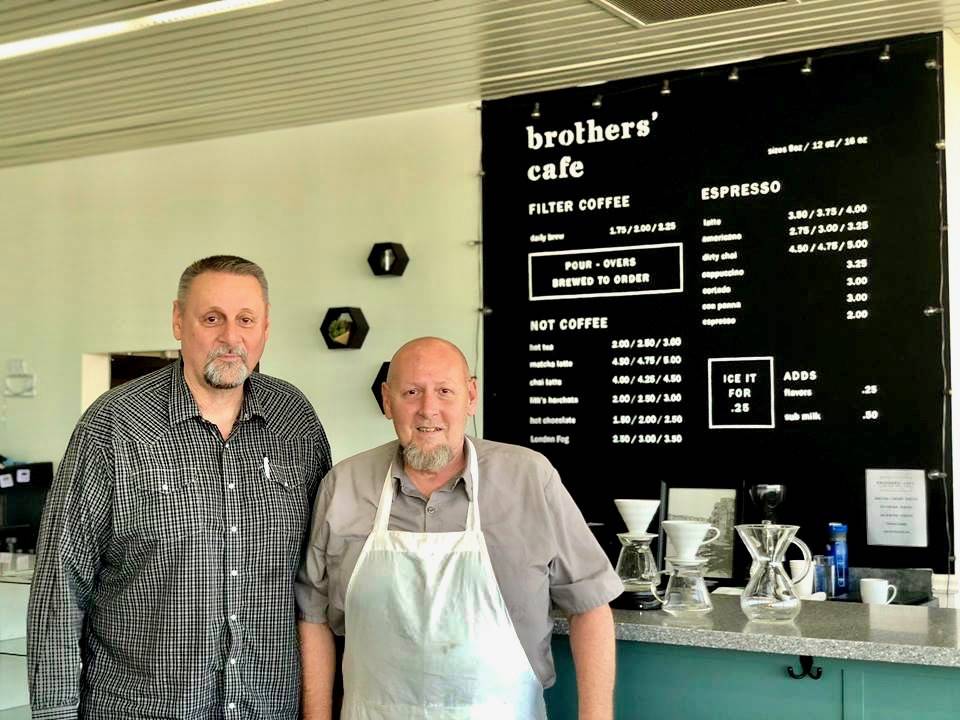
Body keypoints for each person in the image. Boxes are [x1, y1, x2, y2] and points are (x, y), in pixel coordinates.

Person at [28, 255, 332, 719]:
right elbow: (60, 585)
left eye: (245, 320)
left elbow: (318, 581)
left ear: (266, 328)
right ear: (177, 321)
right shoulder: (113, 427)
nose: (231, 337)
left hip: (268, 707)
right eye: (212, 318)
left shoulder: (296, 422)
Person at [296, 337, 621, 720]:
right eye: (411, 392)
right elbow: (313, 616)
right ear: (387, 400)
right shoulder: (345, 485)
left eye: (445, 392)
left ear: (471, 396)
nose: (428, 410)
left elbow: (591, 605)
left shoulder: (529, 478)